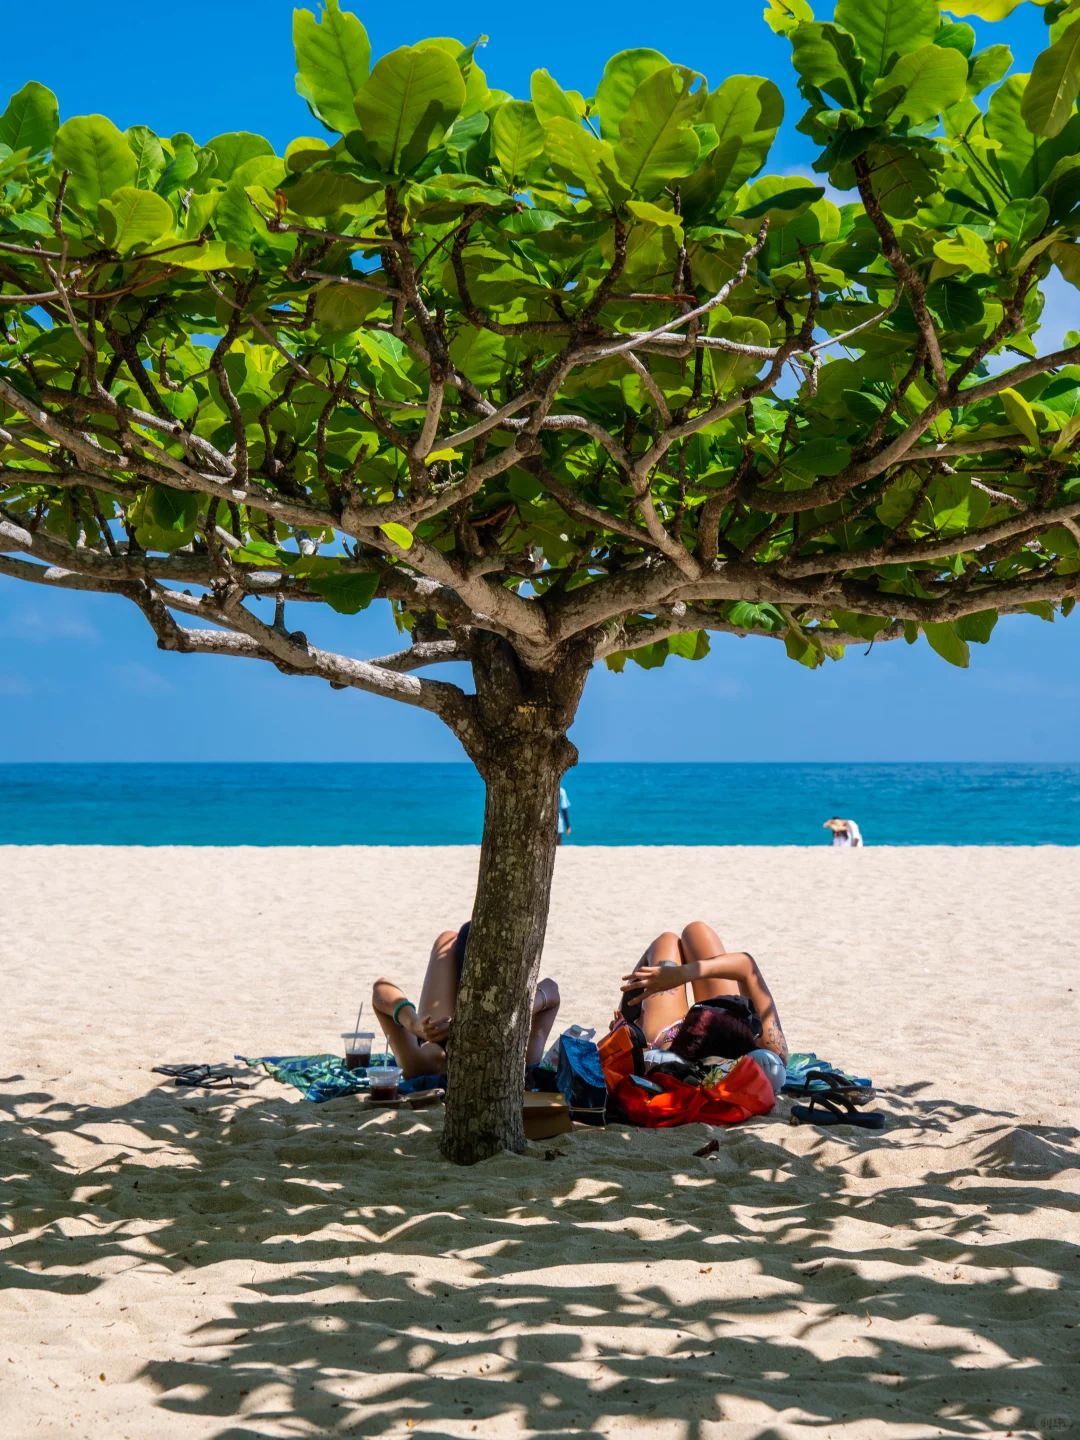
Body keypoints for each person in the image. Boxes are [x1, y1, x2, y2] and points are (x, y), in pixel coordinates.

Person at [371, 923, 562, 1079]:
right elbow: (551, 990)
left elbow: (380, 989)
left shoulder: (434, 1060)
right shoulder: (519, 1059)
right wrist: (518, 1009)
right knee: (450, 940)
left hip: (446, 1032)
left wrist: (413, 1024)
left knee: (448, 939)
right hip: (479, 1025)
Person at [614, 921, 789, 1065]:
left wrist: (622, 1028)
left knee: (666, 942)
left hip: (670, 1040)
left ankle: (625, 1016)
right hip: (713, 1041)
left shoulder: (666, 1056)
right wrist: (682, 974)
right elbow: (747, 966)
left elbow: (747, 966)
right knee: (697, 931)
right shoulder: (770, 1053)